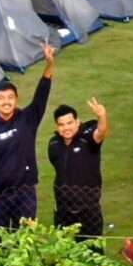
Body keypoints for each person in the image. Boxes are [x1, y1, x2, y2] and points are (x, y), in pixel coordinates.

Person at [0, 42, 54, 229]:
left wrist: (49, 65)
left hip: (25, 194)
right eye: (1, 98)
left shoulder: (28, 119)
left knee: (25, 238)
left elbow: (41, 95)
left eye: (10, 97)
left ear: (16, 100)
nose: (6, 102)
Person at [48, 97, 109, 238]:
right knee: (63, 248)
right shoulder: (53, 145)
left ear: (77, 122)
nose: (66, 128)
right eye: (61, 124)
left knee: (92, 249)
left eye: (70, 123)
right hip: (62, 211)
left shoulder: (88, 139)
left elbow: (101, 132)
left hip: (89, 212)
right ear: (57, 127)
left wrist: (101, 117)